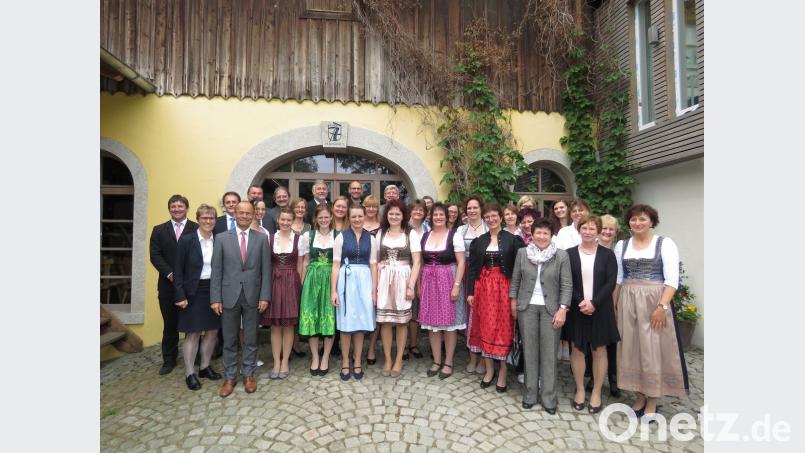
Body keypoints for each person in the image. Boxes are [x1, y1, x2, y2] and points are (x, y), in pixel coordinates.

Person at [614, 204, 688, 423]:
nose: (638, 223)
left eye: (643, 219)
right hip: (627, 299)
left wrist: (662, 307)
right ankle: (638, 396)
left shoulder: (664, 244)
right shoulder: (622, 245)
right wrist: (615, 305)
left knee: (651, 350)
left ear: (652, 221)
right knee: (630, 347)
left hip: (653, 301)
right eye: (634, 219)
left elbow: (672, 280)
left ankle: (653, 400)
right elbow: (618, 278)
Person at [509, 218, 571, 414]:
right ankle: (529, 394)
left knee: (549, 354)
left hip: (551, 310)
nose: (542, 236)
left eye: (546, 233)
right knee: (530, 351)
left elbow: (567, 285)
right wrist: (513, 302)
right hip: (526, 308)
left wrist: (563, 309)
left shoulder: (561, 256)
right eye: (538, 233)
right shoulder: (522, 253)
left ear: (551, 235)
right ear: (532, 234)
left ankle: (549, 397)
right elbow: (515, 280)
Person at [210, 201, 271, 398]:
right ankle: (229, 377)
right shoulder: (221, 238)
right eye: (241, 212)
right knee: (229, 339)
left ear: (254, 215)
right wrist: (215, 298)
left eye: (248, 213)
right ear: (234, 213)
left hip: (253, 295)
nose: (244, 216)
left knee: (251, 338)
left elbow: (266, 271)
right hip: (228, 296)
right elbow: (216, 270)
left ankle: (248, 374)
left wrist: (264, 296)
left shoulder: (261, 239)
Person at [465, 203, 526, 393]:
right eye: (487, 217)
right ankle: (489, 370)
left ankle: (502, 372)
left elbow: (520, 269)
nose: (491, 219)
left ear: (501, 217)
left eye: (494, 216)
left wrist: (517, 294)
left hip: (505, 289)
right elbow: (473, 268)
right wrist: (470, 292)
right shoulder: (479, 241)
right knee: (486, 327)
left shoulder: (513, 240)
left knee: (504, 329)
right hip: (483, 288)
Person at [567, 215, 620, 414]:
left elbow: (610, 282)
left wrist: (594, 303)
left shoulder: (607, 255)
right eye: (584, 228)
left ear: (597, 231)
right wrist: (580, 301)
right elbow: (567, 281)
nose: (588, 232)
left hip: (601, 309)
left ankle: (596, 392)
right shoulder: (569, 254)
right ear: (579, 230)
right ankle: (580, 390)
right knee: (578, 349)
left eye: (592, 229)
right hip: (577, 307)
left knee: (599, 350)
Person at [173, 204, 222, 390]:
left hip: (214, 290)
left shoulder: (219, 240)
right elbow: (178, 269)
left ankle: (204, 367)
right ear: (198, 219)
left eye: (211, 218)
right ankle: (189, 372)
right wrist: (180, 295)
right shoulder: (187, 241)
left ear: (215, 221)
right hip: (192, 291)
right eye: (204, 218)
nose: (208, 221)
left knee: (212, 331)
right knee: (193, 333)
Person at [150, 195, 199, 375]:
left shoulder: (196, 228)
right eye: (173, 206)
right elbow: (155, 256)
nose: (176, 209)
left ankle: (193, 357)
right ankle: (169, 359)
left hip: (191, 285)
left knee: (192, 324)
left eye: (180, 206)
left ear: (187, 208)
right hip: (167, 285)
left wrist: (186, 276)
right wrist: (171, 274)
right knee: (169, 324)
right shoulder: (159, 230)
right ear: (169, 209)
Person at [418, 203, 466, 380]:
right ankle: (437, 360)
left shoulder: (455, 235)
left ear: (447, 217)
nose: (438, 217)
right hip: (429, 282)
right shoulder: (425, 236)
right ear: (431, 217)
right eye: (435, 214)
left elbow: (461, 262)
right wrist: (419, 285)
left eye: (441, 214)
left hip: (448, 279)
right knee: (432, 325)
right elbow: (421, 263)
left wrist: (456, 285)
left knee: (449, 325)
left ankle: (448, 362)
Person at [331, 204, 379, 381]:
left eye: (360, 216)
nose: (357, 220)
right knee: (345, 326)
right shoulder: (341, 237)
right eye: (354, 217)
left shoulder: (371, 238)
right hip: (346, 281)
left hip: (365, 281)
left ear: (365, 217)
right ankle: (345, 361)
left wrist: (374, 291)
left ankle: (357, 360)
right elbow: (335, 266)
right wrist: (333, 291)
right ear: (349, 218)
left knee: (360, 325)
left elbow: (373, 265)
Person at [375, 199, 422, 377]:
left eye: (398, 213)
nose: (394, 216)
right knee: (386, 321)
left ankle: (399, 359)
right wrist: (376, 286)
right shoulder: (381, 234)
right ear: (386, 215)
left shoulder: (411, 235)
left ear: (403, 216)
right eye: (391, 213)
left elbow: (417, 262)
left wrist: (411, 286)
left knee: (402, 322)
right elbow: (376, 260)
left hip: (404, 279)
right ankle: (387, 358)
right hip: (385, 278)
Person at [260, 208, 305, 379]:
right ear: (278, 220)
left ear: (292, 221)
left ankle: (285, 361)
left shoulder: (299, 240)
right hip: (274, 282)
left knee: (288, 325)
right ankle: (276, 361)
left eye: (289, 220)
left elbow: (301, 264)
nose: (285, 223)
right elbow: (266, 264)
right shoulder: (269, 239)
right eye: (283, 220)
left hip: (291, 281)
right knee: (275, 325)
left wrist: (299, 285)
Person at [298, 204, 337, 376]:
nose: (323, 220)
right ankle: (315, 357)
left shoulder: (338, 236)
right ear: (316, 219)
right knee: (312, 317)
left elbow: (338, 263)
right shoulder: (308, 236)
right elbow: (305, 261)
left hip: (330, 280)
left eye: (326, 217)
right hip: (312, 280)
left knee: (329, 318)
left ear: (331, 218)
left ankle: (326, 357)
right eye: (320, 217)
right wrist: (302, 283)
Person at [555, 198, 591, 361]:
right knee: (572, 320)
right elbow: (560, 257)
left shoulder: (592, 229)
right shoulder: (564, 233)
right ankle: (572, 351)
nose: (577, 213)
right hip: (570, 281)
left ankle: (588, 358)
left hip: (590, 282)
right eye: (575, 211)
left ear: (587, 212)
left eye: (581, 210)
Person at [456, 196, 488, 375]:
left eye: (475, 207)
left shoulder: (488, 227)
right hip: (466, 271)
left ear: (481, 209)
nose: (472, 211)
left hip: (484, 274)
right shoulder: (461, 230)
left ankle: (484, 357)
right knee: (469, 316)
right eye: (469, 208)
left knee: (482, 315)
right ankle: (472, 356)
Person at [404, 199, 429, 361]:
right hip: (406, 270)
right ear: (410, 211)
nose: (418, 213)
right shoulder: (403, 228)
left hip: (424, 271)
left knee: (416, 311)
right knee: (404, 309)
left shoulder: (428, 229)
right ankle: (403, 344)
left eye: (421, 210)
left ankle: (413, 344)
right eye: (415, 210)